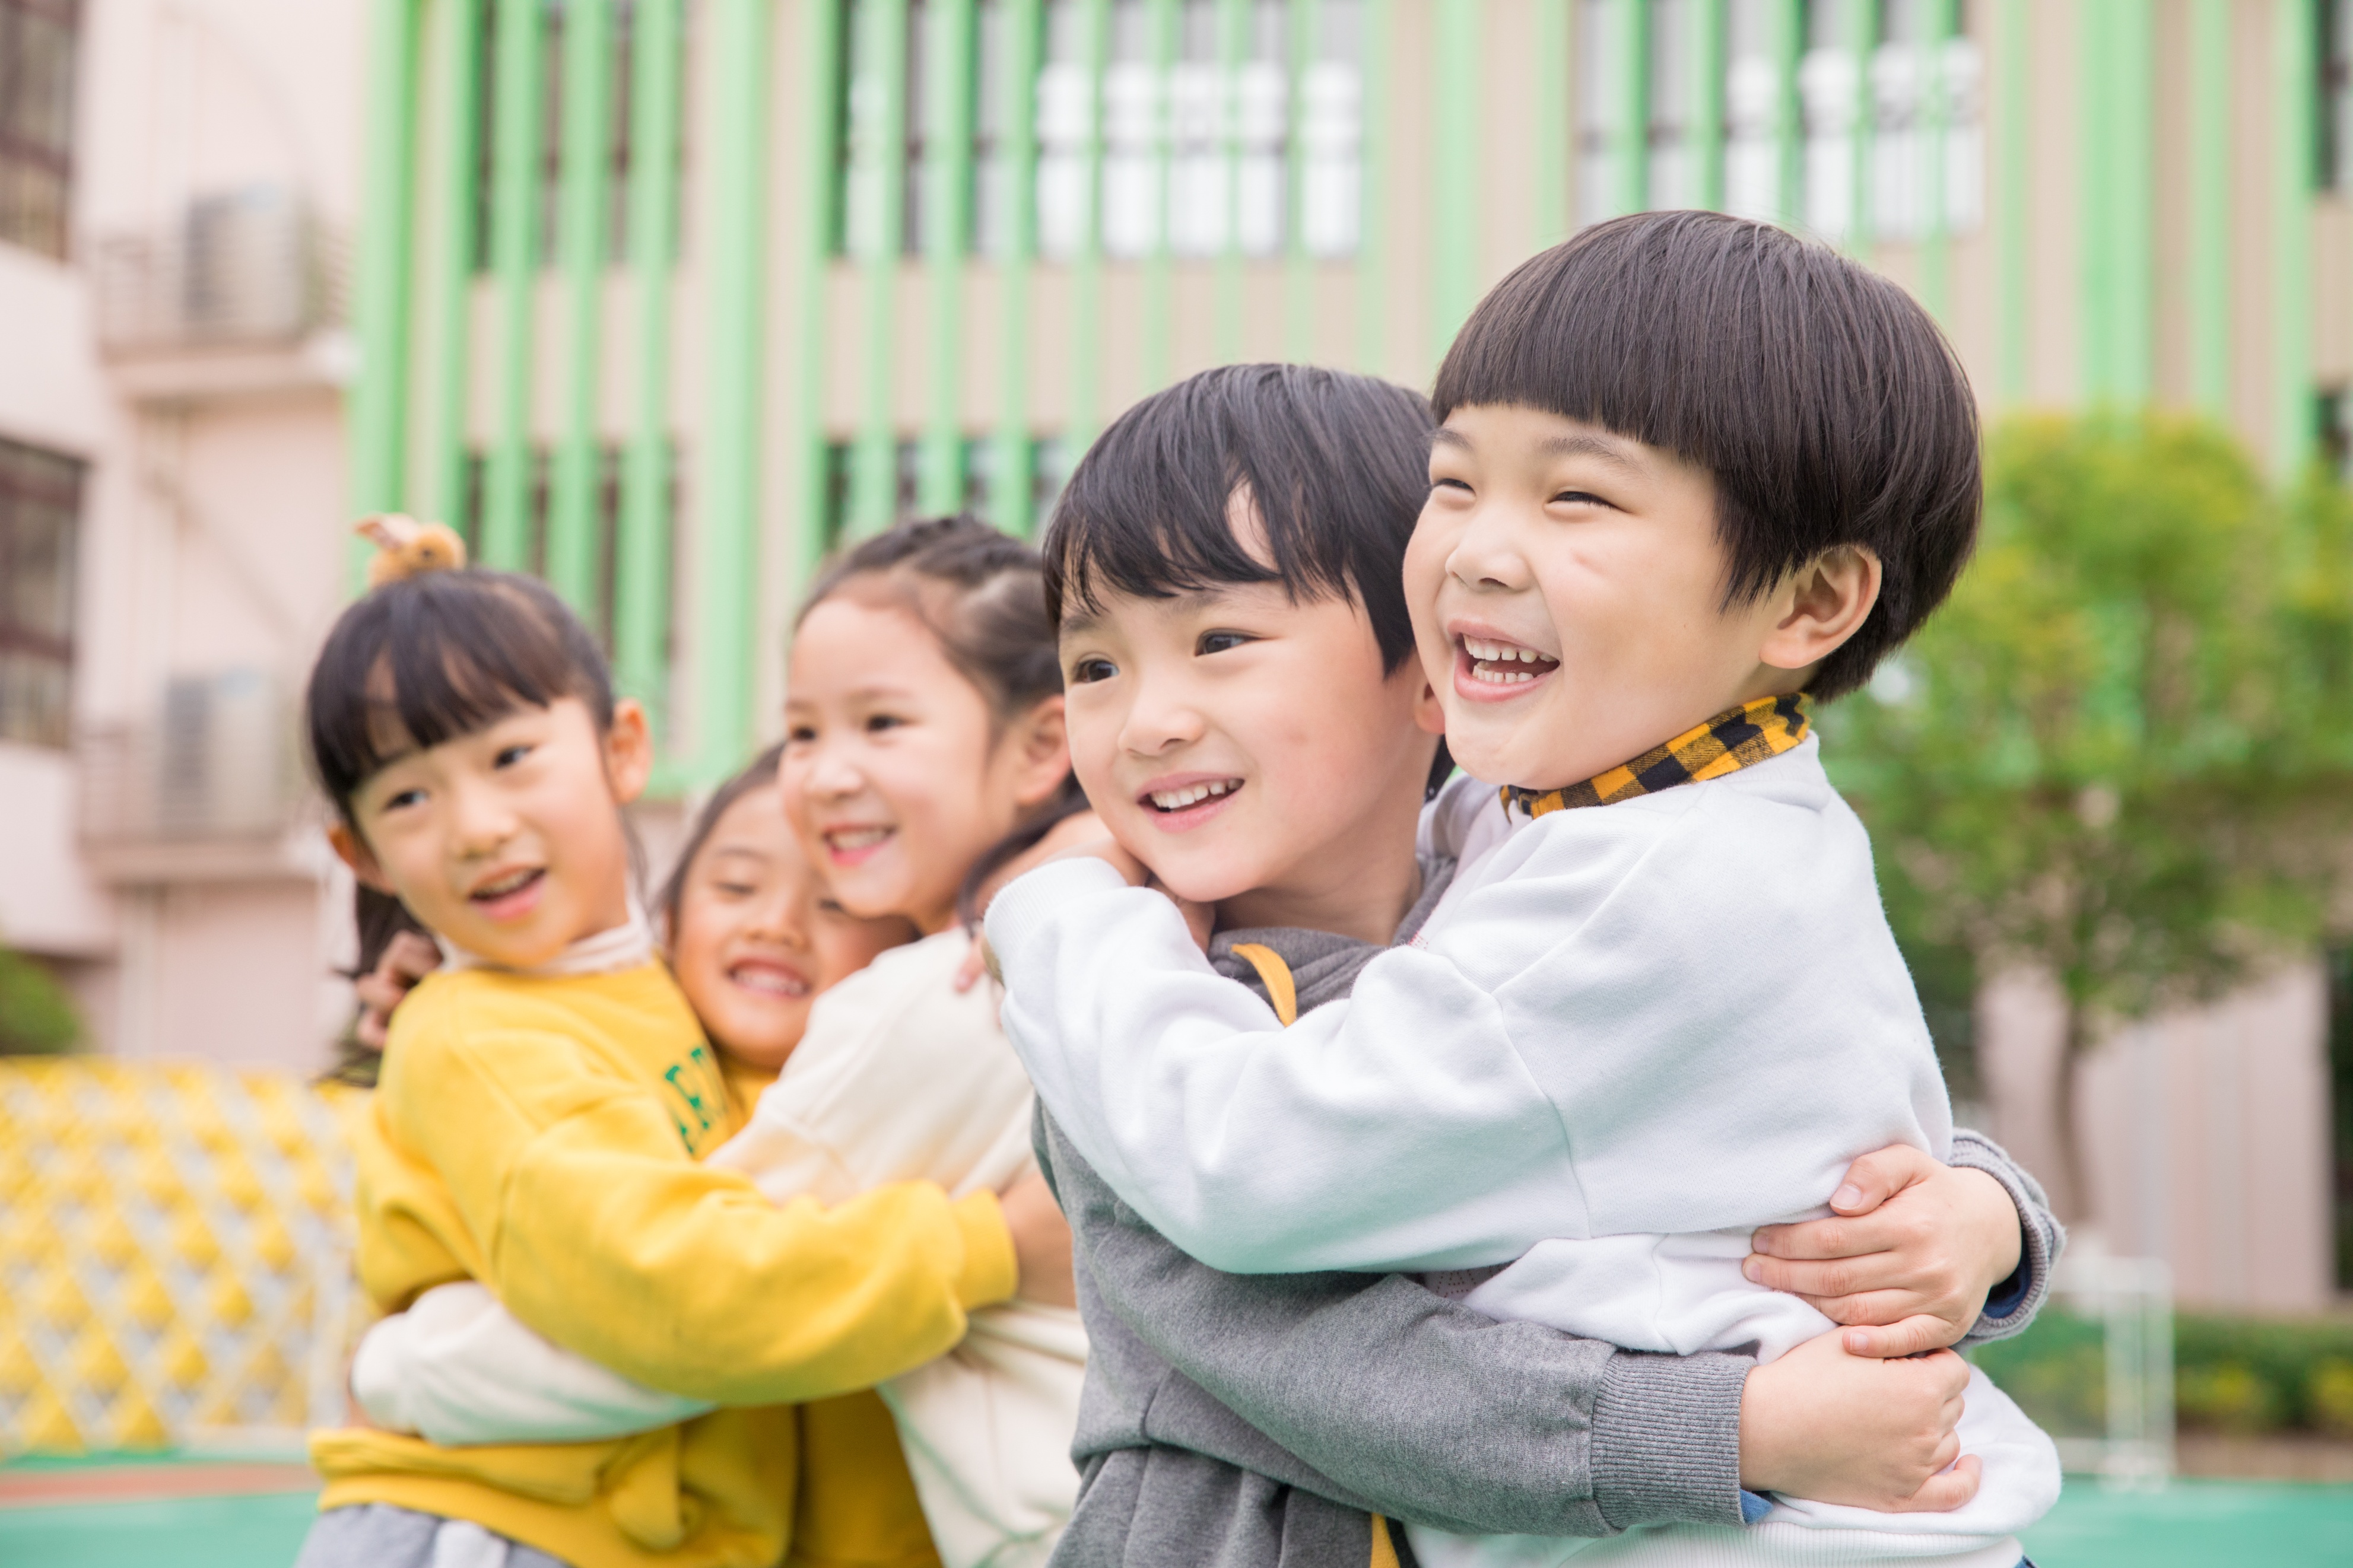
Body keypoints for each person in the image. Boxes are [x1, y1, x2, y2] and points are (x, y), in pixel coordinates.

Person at [982, 359, 2061, 1568]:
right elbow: (1335, 1376)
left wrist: (1983, 1214)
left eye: (1221, 639)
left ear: (1435, 667)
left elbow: (1781, 1092)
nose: (1148, 720)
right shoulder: (1133, 1028)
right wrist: (1732, 1427)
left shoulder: (1545, 875)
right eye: (1093, 666)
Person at [350, 523, 1099, 1568]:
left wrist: (409, 1362)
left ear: (1039, 746)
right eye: (802, 732)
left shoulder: (949, 998)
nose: (830, 777)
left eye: (882, 722)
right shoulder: (1074, 946)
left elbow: (690, 1306)